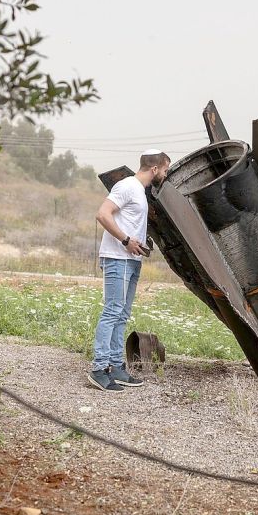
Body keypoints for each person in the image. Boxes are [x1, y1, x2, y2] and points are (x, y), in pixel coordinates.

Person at [88, 150, 170, 392]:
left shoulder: (141, 193)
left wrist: (139, 243)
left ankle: (116, 367)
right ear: (154, 169)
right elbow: (102, 214)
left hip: (131, 259)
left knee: (122, 314)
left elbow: (128, 223)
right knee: (112, 311)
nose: (165, 175)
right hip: (117, 257)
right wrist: (126, 241)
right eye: (165, 170)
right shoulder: (127, 186)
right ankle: (98, 369)